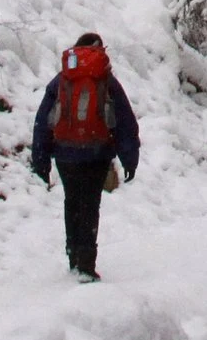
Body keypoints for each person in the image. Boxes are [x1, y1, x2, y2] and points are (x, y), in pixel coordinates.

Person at [30, 32, 139, 281]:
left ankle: (73, 258)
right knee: (90, 205)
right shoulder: (107, 81)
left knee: (72, 202)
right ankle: (86, 265)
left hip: (65, 153)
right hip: (96, 153)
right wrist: (129, 159)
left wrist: (41, 160)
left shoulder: (61, 80)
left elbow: (42, 121)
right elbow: (125, 122)